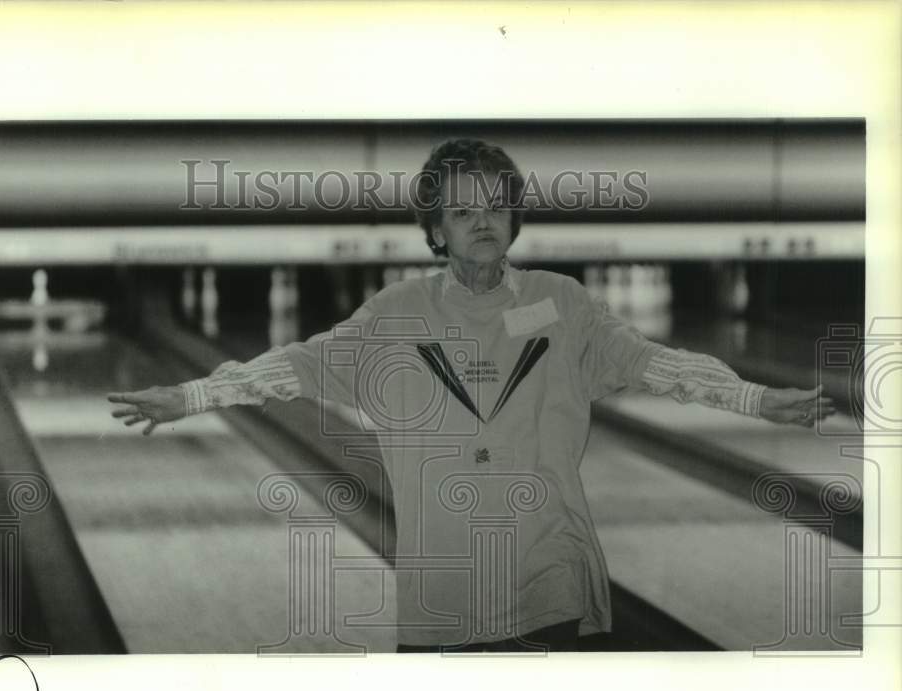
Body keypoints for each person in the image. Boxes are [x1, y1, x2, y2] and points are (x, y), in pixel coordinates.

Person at [108, 138, 835, 653]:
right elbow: (293, 366)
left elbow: (652, 363)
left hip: (551, 576)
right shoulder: (393, 316)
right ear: (436, 231)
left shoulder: (563, 303)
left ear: (515, 216)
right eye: (462, 212)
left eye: (494, 207)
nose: (482, 222)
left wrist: (755, 401)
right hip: (441, 596)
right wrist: (192, 395)